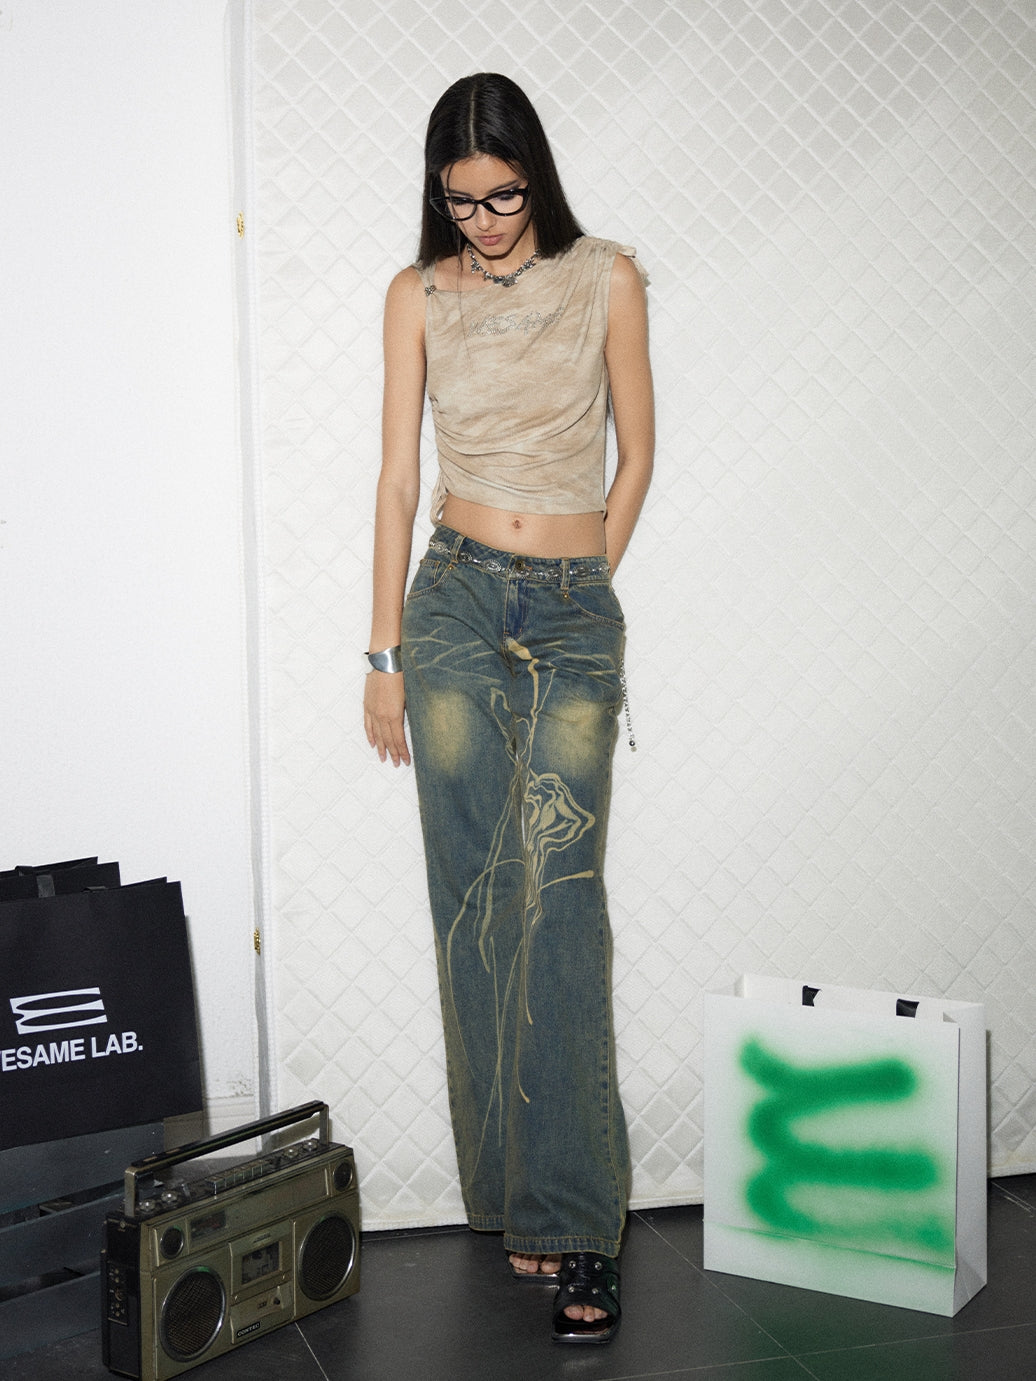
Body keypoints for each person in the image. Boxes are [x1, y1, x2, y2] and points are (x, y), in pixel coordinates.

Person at [363, 72, 653, 1344]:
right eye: (459, 201)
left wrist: (586, 580)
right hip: (451, 604)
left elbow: (637, 452)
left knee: (562, 899)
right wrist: (382, 653)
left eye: (502, 196)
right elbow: (395, 479)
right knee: (476, 895)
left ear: (536, 176)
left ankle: (579, 1220)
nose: (481, 221)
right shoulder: (417, 294)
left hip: (570, 606)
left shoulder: (606, 277)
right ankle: (513, 1199)